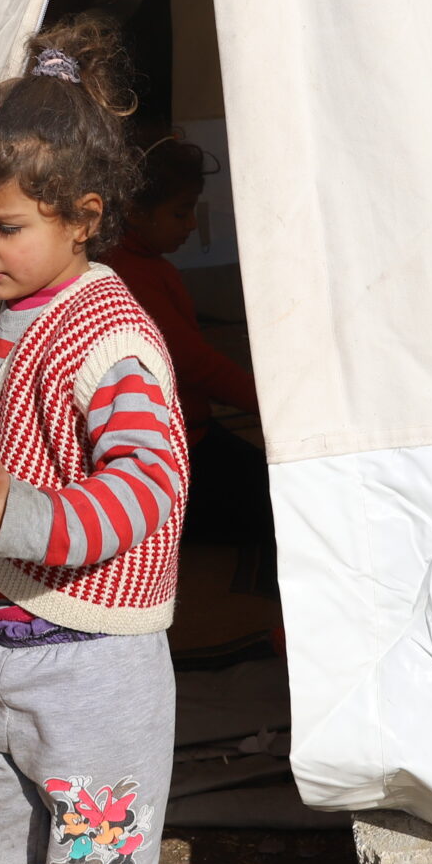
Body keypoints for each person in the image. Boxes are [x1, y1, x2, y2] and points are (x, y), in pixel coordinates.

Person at [0, 17, 189, 864]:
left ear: (83, 216)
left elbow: (151, 482)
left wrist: (11, 517)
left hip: (90, 671)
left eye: (6, 225)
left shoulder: (107, 334)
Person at [103, 136, 275, 560]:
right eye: (180, 213)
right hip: (172, 453)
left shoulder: (143, 265)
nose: (192, 225)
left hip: (191, 433)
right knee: (280, 509)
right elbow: (195, 364)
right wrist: (270, 405)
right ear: (134, 213)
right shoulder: (130, 274)